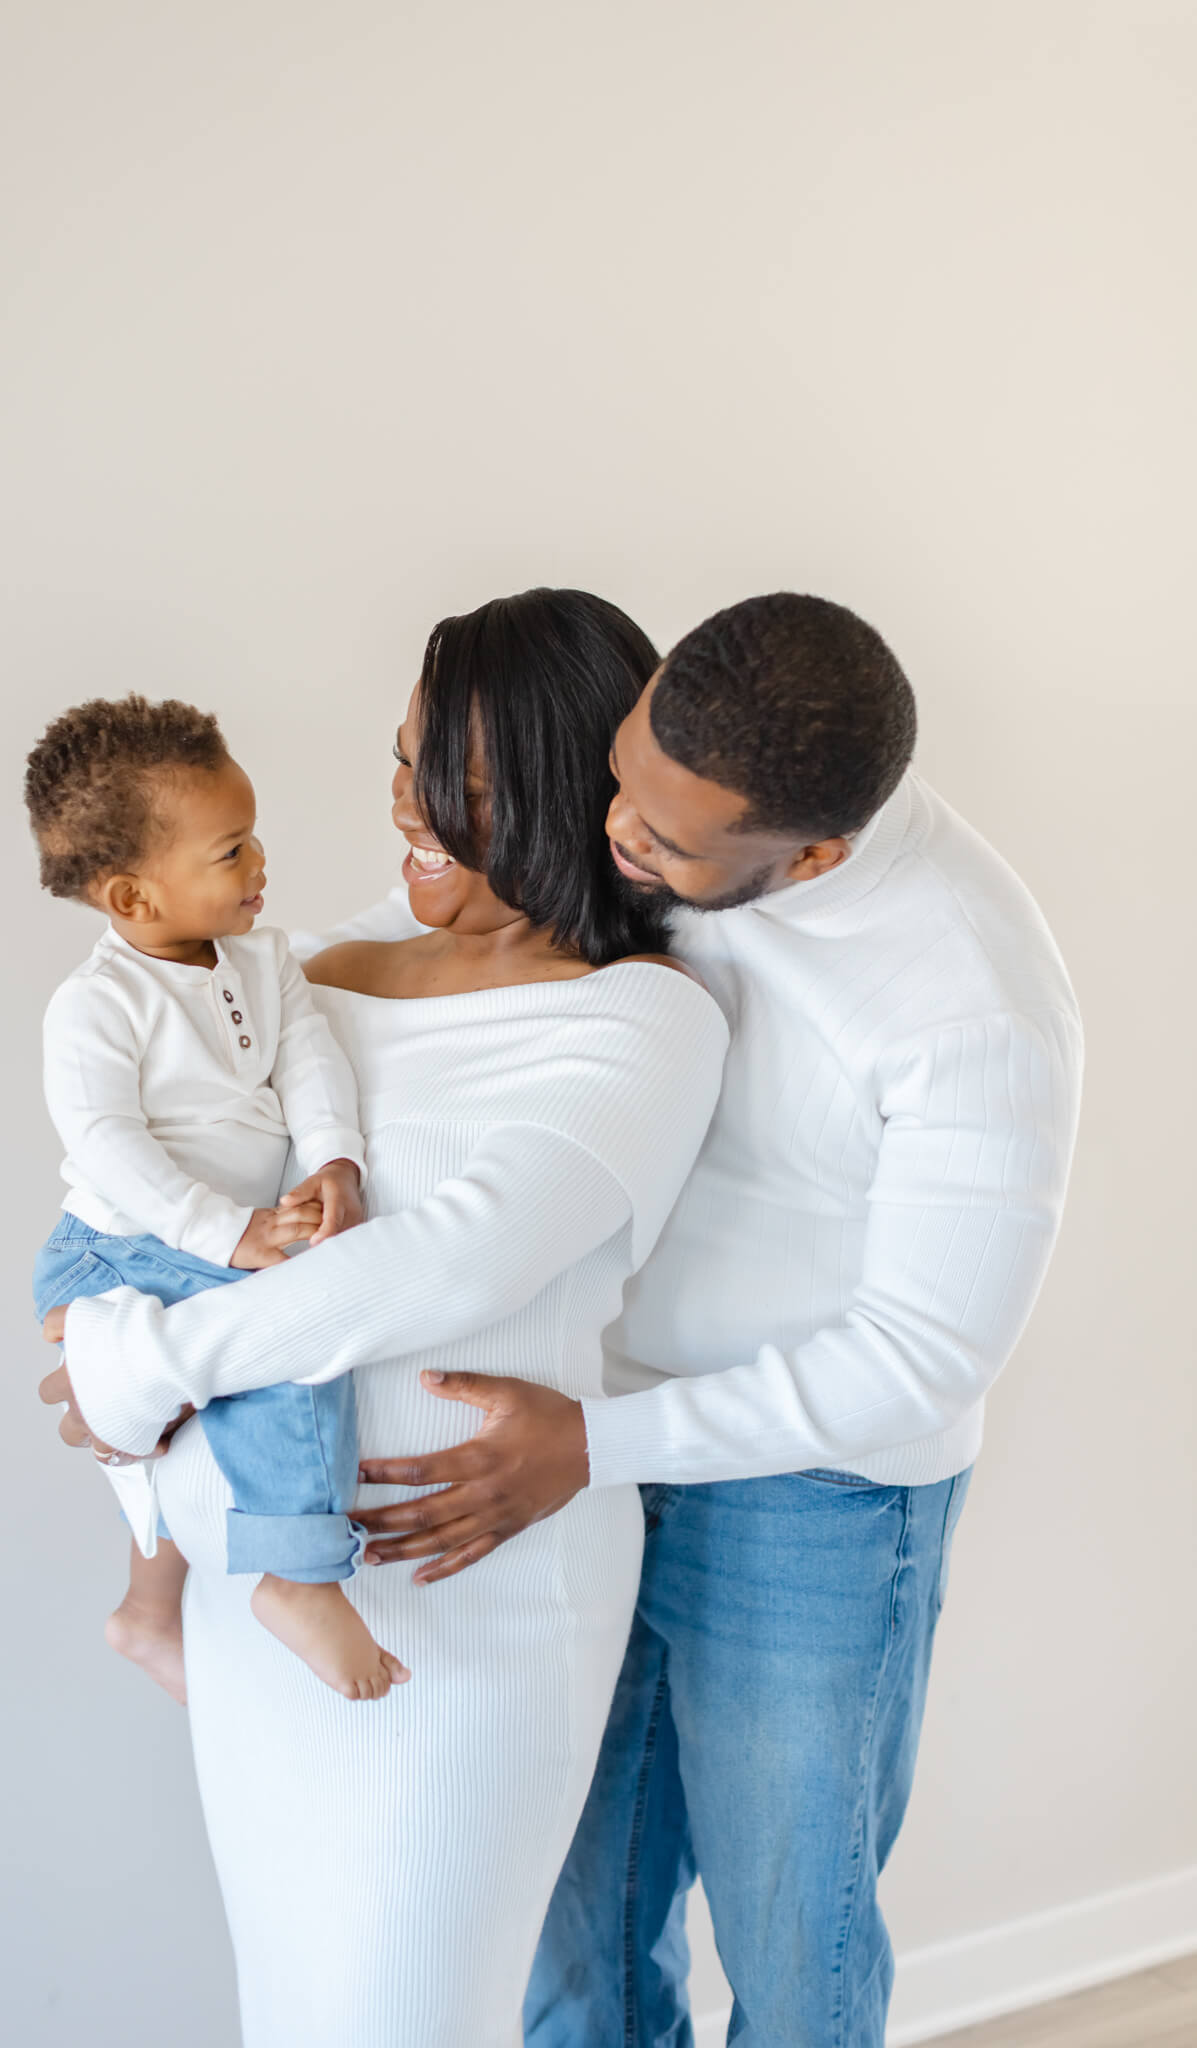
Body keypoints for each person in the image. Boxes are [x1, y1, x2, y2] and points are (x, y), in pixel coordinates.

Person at [320, 593, 1084, 2046]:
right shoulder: (658, 795)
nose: (612, 838)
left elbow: (921, 1359)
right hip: (583, 1450)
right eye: (616, 779)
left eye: (664, 846)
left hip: (816, 1497)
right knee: (576, 1929)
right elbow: (456, 921)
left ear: (810, 858)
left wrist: (591, 1444)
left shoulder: (970, 1003)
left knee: (791, 1955)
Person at [37, 589, 730, 2048]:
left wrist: (146, 1367)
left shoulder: (639, 1018)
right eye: (404, 757)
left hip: (467, 1611)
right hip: (263, 1595)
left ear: (563, 792)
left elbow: (452, 1263)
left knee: (408, 2014)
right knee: (290, 2012)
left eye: (460, 783)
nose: (408, 806)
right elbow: (171, 1146)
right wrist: (115, 1356)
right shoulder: (304, 968)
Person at [24, 694, 404, 1702]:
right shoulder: (96, 1006)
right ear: (135, 896)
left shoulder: (266, 961)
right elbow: (110, 1149)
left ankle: (146, 1613)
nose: (260, 864)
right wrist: (225, 1231)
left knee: (182, 1419)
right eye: (230, 851)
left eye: (253, 838)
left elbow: (311, 1060)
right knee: (284, 1347)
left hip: (215, 1239)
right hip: (121, 1245)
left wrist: (334, 1161)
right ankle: (297, 1572)